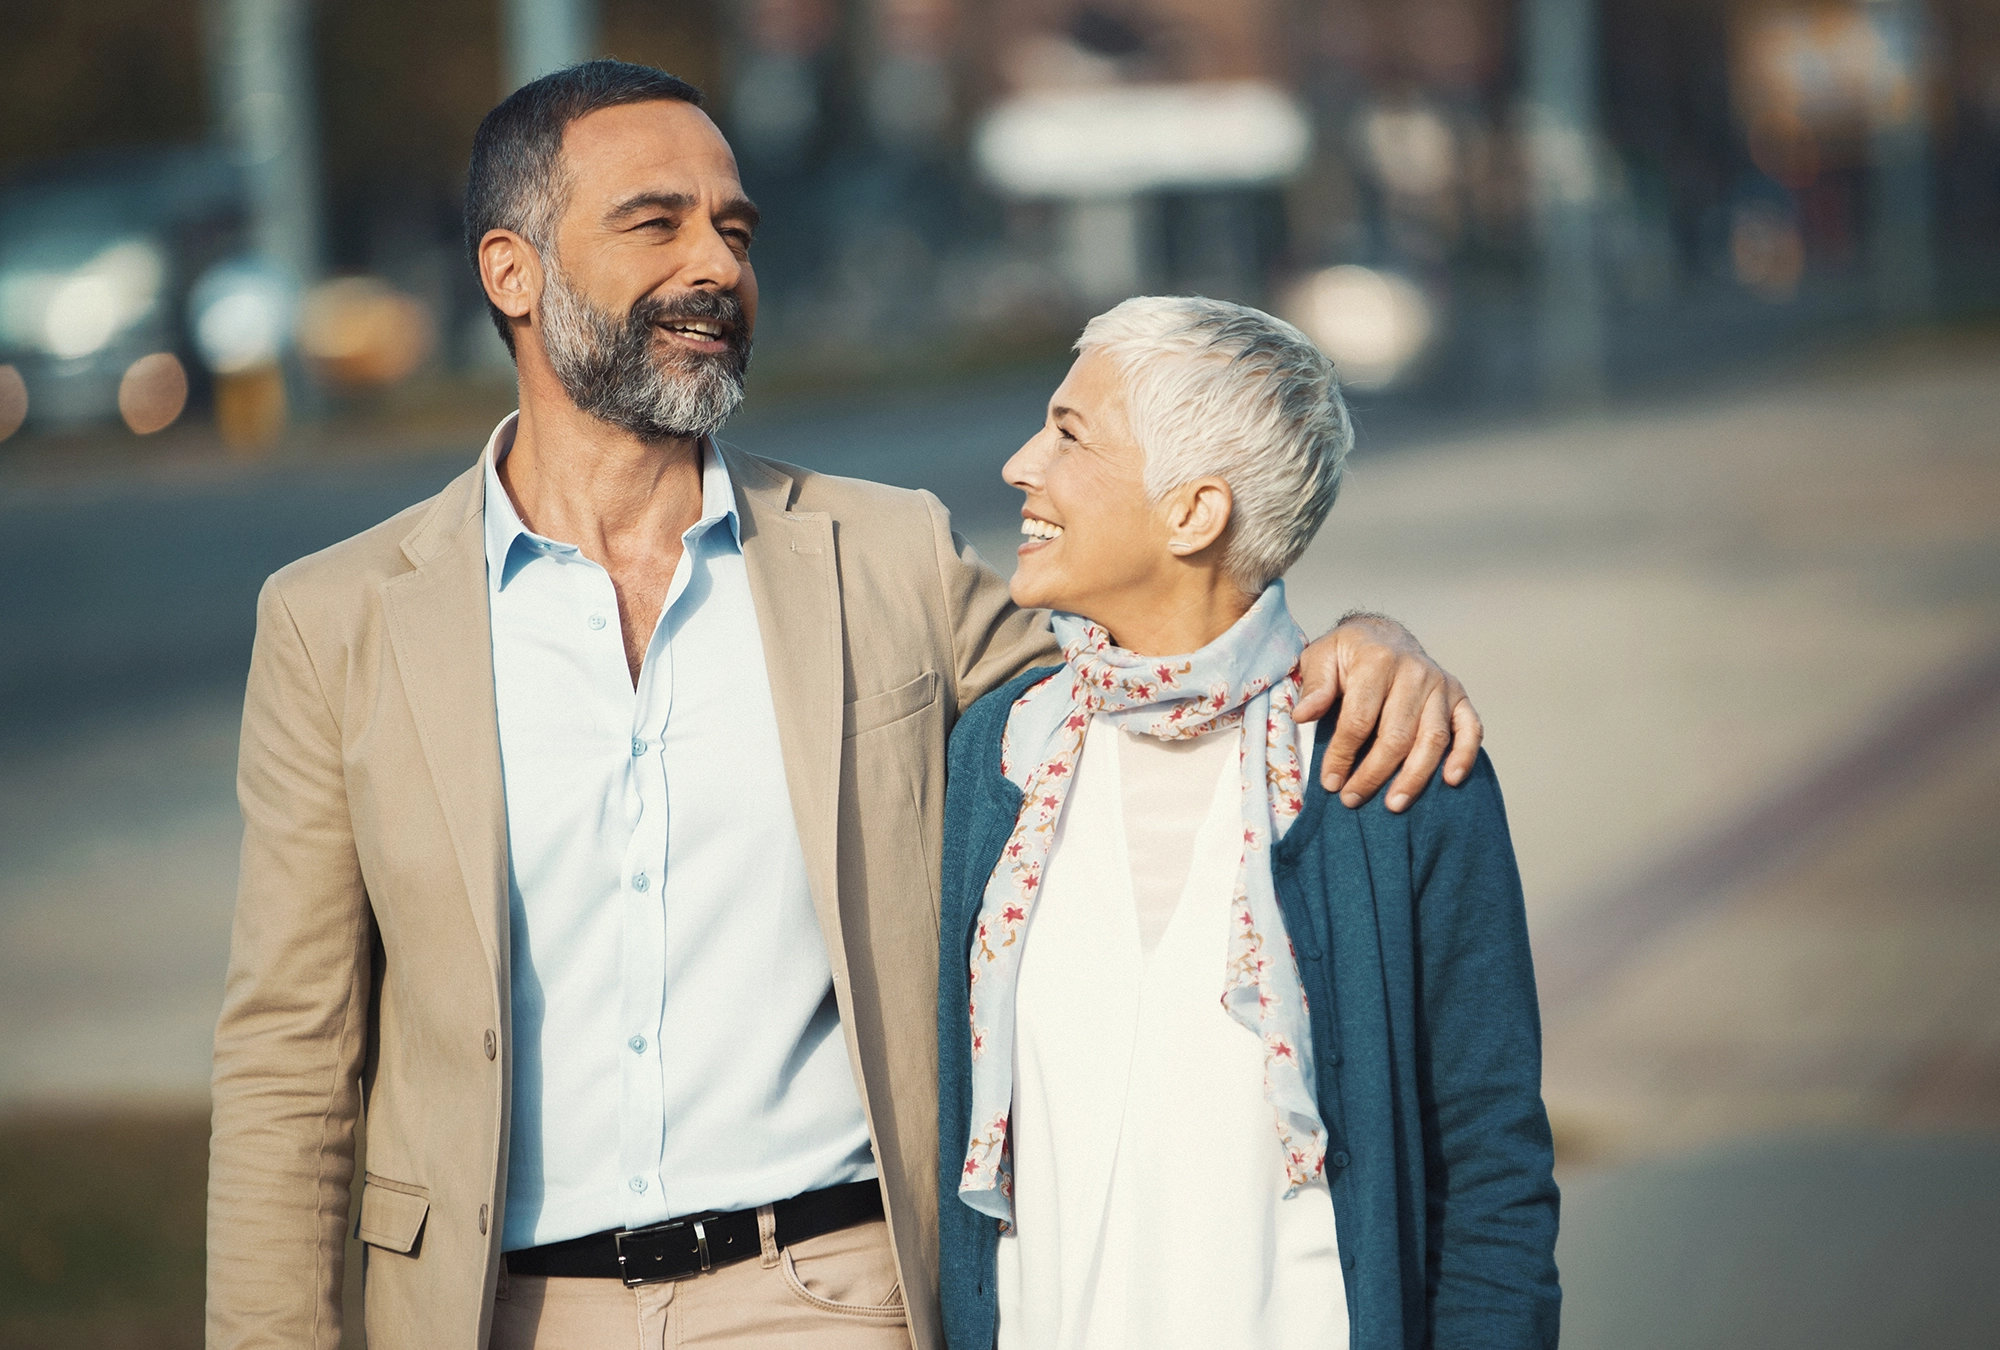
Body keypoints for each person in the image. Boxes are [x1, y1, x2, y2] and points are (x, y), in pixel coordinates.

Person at [205, 63, 1486, 1350]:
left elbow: (1148, 680)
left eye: (736, 229)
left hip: (828, 1294)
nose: (716, 263)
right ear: (511, 273)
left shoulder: (887, 558)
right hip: (498, 1310)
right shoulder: (339, 620)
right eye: (656, 223)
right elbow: (291, 1058)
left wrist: (1349, 645)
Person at [936, 297, 1560, 1350]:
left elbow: (1490, 1174)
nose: (1019, 464)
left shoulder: (1394, 769)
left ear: (1191, 514)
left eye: (1069, 433)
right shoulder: (998, 754)